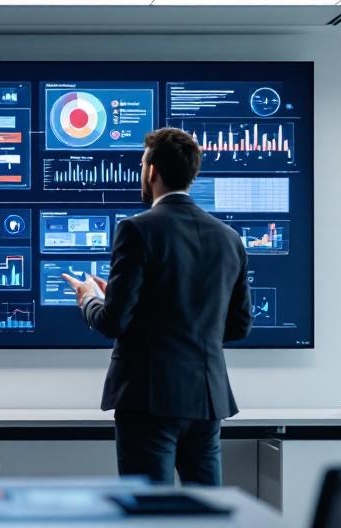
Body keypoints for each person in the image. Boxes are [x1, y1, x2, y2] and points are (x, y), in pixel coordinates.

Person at [63, 127, 252, 486]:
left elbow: (113, 323)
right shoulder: (230, 238)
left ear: (151, 171)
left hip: (148, 399)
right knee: (206, 511)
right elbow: (240, 325)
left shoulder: (137, 230)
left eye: (141, 164)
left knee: (149, 513)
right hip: (206, 399)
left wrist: (89, 298)